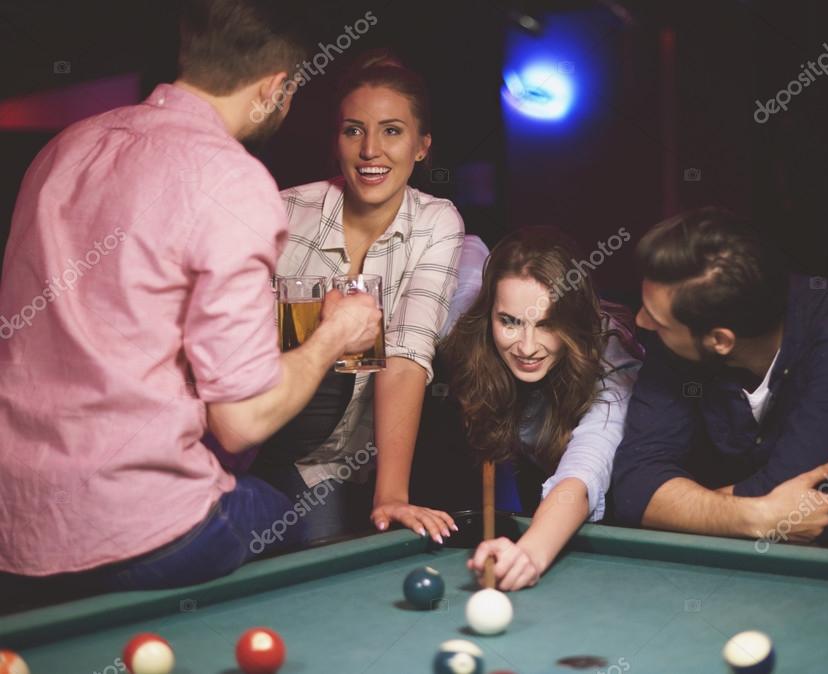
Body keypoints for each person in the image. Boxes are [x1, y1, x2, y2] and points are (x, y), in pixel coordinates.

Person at [0, 0, 381, 592]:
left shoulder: (64, 148)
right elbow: (241, 421)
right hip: (143, 527)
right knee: (302, 510)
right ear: (276, 87)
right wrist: (334, 335)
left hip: (17, 527)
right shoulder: (231, 178)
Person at [250, 51, 476, 544]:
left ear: (422, 147)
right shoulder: (281, 212)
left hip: (346, 459)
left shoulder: (437, 222)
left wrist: (391, 494)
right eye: (354, 130)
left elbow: (407, 352)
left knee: (336, 554)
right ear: (337, 141)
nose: (370, 149)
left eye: (392, 131)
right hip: (259, 445)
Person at [612, 207, 828, 552]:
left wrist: (678, 506)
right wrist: (751, 517)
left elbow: (788, 487)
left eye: (657, 320)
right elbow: (633, 488)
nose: (641, 322)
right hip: (739, 495)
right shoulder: (677, 329)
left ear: (720, 341)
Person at [422, 228, 642, 591]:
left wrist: (530, 553)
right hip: (538, 477)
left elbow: (585, 468)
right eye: (509, 321)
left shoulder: (612, 367)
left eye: (547, 324)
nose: (526, 347)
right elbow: (466, 245)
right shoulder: (466, 328)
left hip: (619, 509)